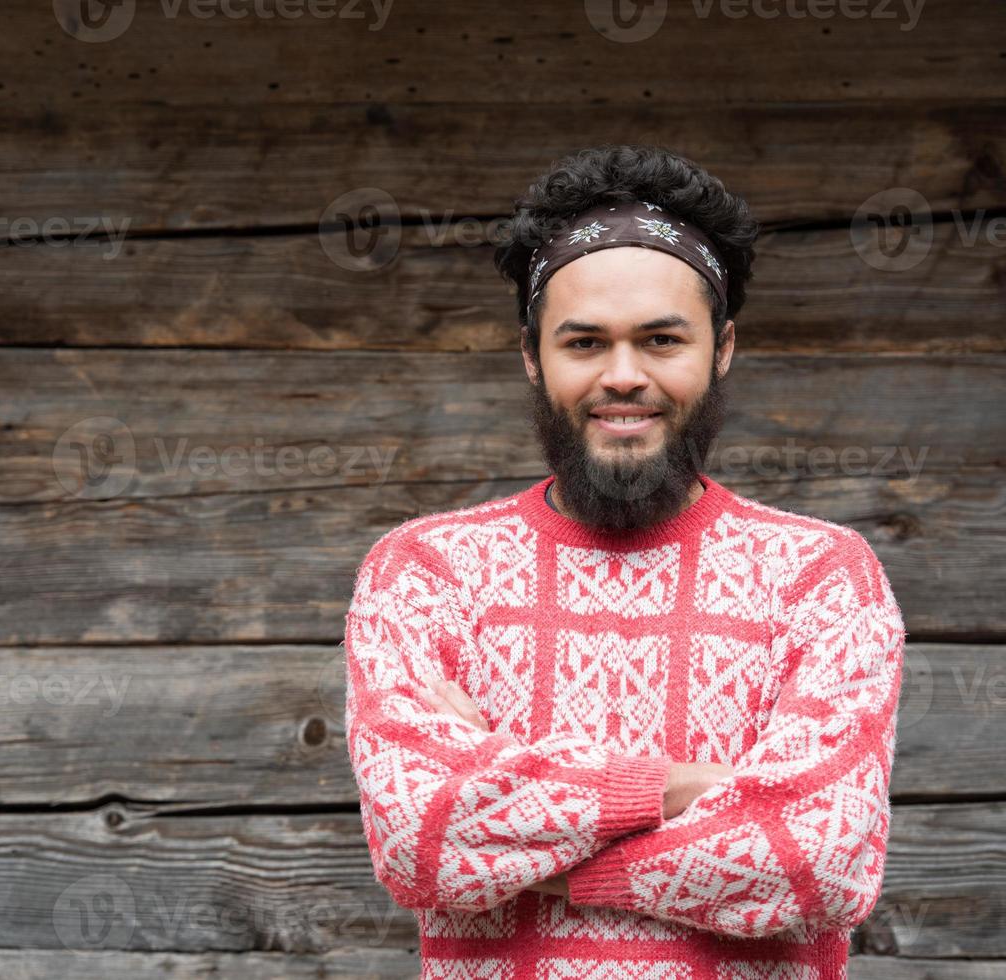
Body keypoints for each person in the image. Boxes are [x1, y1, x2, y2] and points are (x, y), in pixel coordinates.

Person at [343, 144, 905, 978]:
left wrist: (522, 833)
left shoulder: (819, 577)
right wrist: (685, 789)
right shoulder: (426, 574)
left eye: (660, 339)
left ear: (721, 350)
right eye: (583, 344)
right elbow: (418, 843)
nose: (622, 376)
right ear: (532, 356)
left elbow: (817, 863)